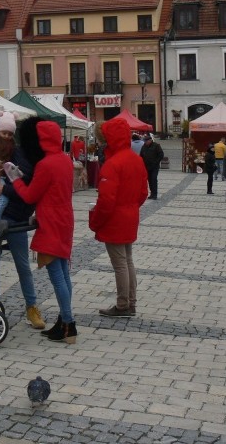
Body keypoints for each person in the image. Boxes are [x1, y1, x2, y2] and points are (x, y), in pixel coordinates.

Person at [5, 118, 75, 343]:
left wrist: (14, 180)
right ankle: (64, 322)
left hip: (51, 222)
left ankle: (68, 324)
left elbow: (30, 195)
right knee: (63, 272)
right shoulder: (65, 159)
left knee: (57, 275)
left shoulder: (46, 164)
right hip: (64, 219)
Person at [0, 116, 45, 331]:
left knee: (22, 265)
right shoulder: (7, 150)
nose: (6, 137)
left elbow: (29, 190)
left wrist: (4, 189)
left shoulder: (35, 158)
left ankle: (31, 306)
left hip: (17, 216)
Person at [88, 116, 148, 320]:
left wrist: (95, 221)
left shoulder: (112, 164)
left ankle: (123, 305)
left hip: (115, 219)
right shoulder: (136, 159)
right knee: (128, 261)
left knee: (120, 264)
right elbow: (143, 193)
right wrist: (130, 207)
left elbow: (106, 201)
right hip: (130, 216)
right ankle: (131, 302)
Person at [139, 134, 164, 200]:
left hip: (154, 167)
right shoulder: (144, 146)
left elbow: (161, 154)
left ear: (150, 140)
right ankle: (152, 194)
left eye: (146, 141)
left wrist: (156, 162)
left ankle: (155, 194)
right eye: (145, 141)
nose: (145, 142)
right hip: (147, 166)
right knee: (149, 180)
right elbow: (141, 155)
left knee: (154, 179)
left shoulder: (156, 146)